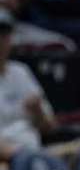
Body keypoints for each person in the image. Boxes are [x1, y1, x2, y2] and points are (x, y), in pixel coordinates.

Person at [0, 8, 55, 161]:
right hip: (9, 160)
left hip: (33, 153)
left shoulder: (21, 71)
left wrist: (38, 111)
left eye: (4, 34)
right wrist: (21, 156)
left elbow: (48, 127)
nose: (0, 41)